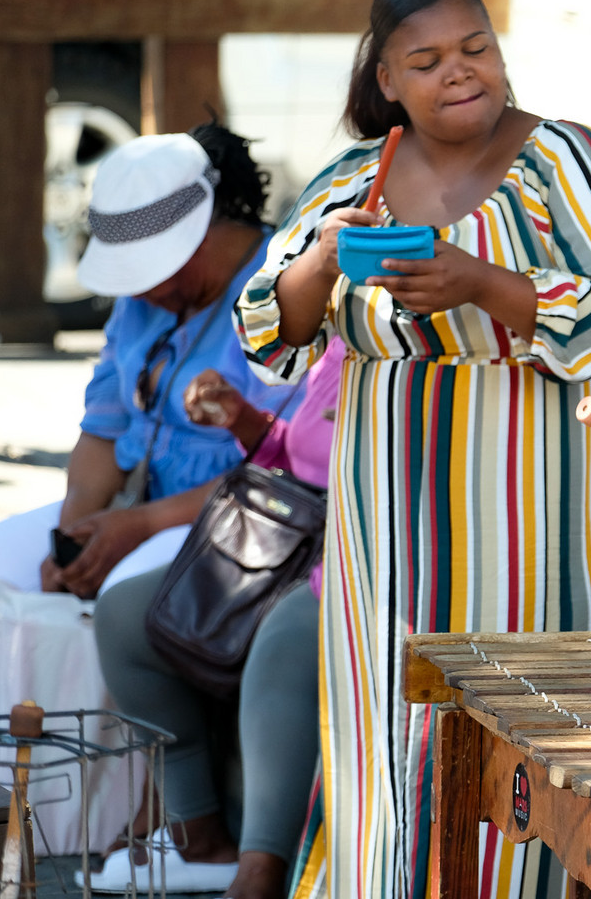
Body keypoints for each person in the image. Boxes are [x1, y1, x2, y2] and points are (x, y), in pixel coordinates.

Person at [235, 0, 591, 899]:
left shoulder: (566, 159)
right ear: (387, 79)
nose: (460, 72)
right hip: (387, 538)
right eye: (426, 60)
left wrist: (482, 284)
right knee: (399, 741)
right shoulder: (356, 179)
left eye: (477, 48)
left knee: (532, 742)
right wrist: (329, 254)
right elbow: (269, 328)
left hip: (542, 524)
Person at [85, 342, 342, 899]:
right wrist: (242, 418)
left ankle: (262, 871)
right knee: (126, 614)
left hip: (360, 557)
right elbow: (288, 457)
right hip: (290, 538)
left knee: (288, 638)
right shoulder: (340, 340)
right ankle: (196, 833)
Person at [0, 126, 292, 599]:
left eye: (150, 270)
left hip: (241, 520)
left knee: (123, 595)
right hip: (135, 509)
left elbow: (285, 466)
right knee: (9, 571)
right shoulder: (140, 302)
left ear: (202, 234)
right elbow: (103, 429)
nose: (138, 292)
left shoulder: (281, 290)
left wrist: (143, 524)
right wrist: (71, 540)